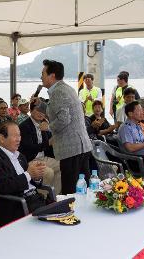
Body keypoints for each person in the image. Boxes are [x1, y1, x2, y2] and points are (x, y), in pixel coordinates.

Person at [0, 121, 52, 227]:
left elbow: (32, 182)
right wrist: (29, 174)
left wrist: (37, 176)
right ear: (2, 138)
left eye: (19, 135)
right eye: (15, 136)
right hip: (18, 206)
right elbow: (3, 187)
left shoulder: (20, 156)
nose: (19, 139)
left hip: (35, 200)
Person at [41, 59, 92, 194]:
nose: (41, 77)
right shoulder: (66, 88)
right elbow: (59, 110)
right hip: (80, 146)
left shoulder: (58, 92)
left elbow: (64, 119)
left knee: (71, 190)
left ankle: (72, 215)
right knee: (83, 189)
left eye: (43, 73)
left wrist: (48, 127)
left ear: (52, 76)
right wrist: (41, 106)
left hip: (71, 149)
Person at [18, 102, 61, 194]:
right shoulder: (24, 126)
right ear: (31, 110)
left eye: (43, 111)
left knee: (63, 166)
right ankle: (41, 200)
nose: (41, 113)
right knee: (48, 172)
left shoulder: (44, 125)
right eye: (38, 110)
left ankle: (54, 196)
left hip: (43, 158)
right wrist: (48, 142)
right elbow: (30, 148)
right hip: (30, 159)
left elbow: (51, 144)